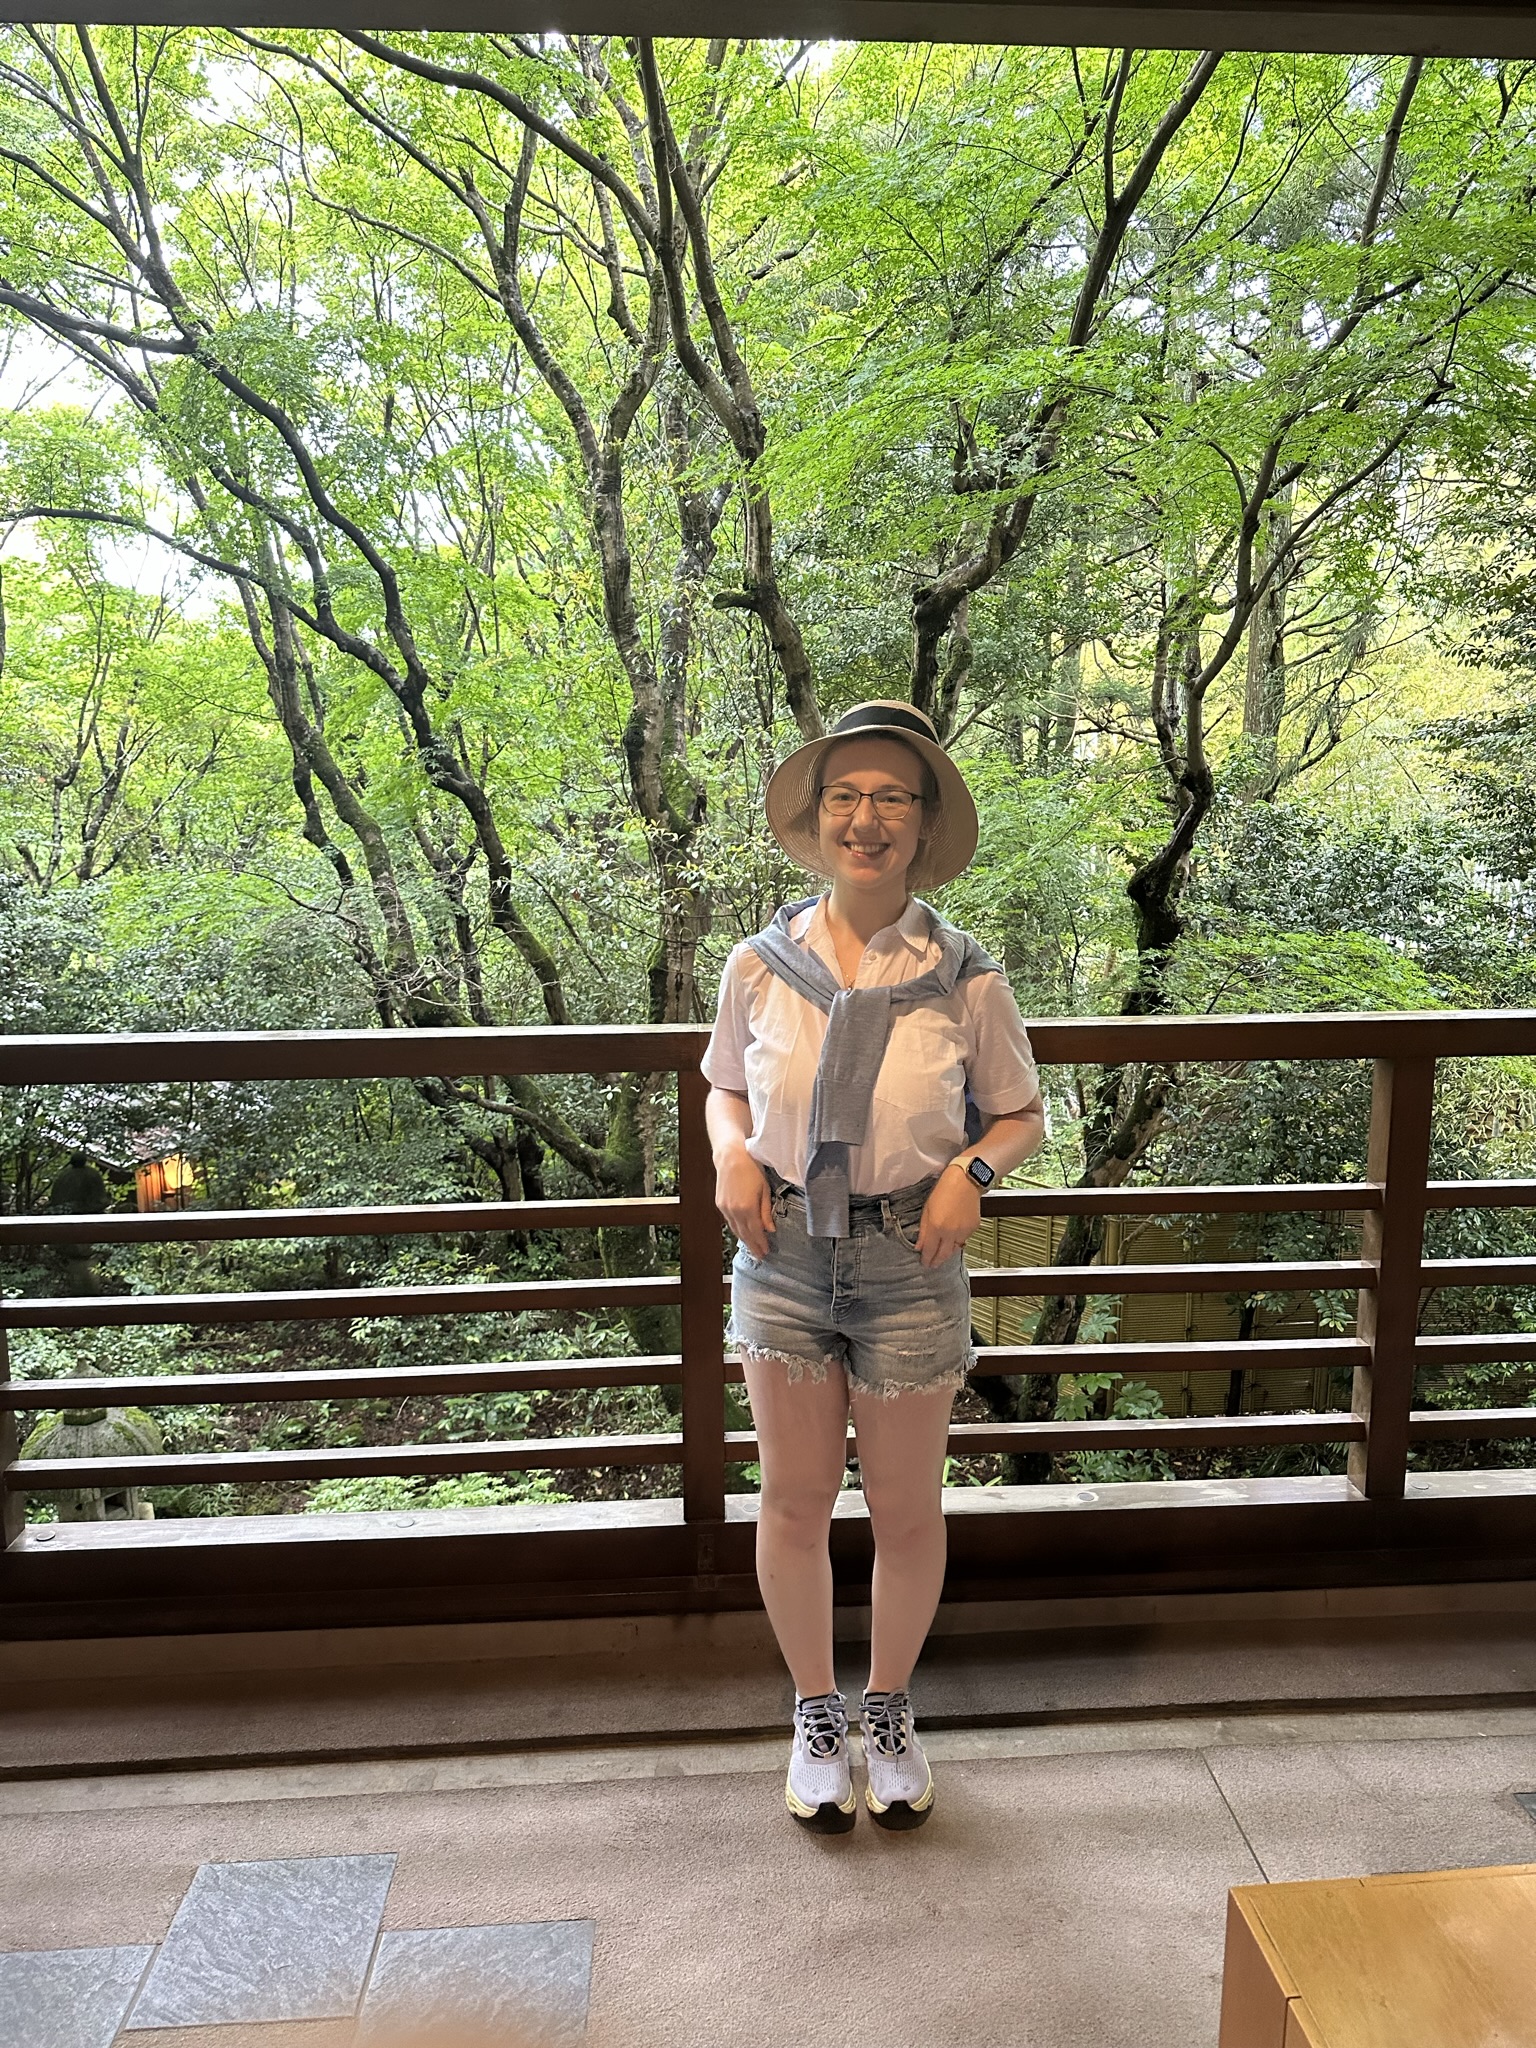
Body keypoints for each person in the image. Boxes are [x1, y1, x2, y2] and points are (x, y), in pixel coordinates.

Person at [702, 700, 1045, 1833]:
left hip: (911, 1250)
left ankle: (889, 1710)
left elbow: (1021, 1114)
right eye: (845, 794)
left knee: (904, 1504)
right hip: (782, 1250)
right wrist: (731, 1162)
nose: (867, 817)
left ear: (924, 820)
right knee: (795, 1498)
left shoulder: (964, 976)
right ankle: (814, 1712)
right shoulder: (759, 966)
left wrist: (971, 1178)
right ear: (813, 821)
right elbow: (724, 1086)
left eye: (893, 796)